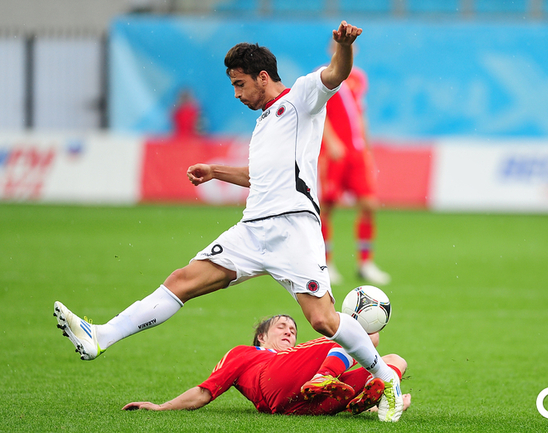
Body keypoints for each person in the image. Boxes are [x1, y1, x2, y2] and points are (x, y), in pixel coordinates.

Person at [54, 20, 404, 423]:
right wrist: (216, 171)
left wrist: (343, 47)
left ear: (262, 77)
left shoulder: (301, 97)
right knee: (182, 280)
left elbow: (336, 73)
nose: (237, 94)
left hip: (292, 228)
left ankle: (386, 379)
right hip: (252, 229)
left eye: (240, 84)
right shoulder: (264, 122)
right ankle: (100, 336)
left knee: (323, 320)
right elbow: (261, 176)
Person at [122, 315, 411, 416]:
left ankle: (378, 400)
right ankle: (326, 378)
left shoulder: (302, 355)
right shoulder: (245, 353)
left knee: (396, 361)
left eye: (293, 330)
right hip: (273, 383)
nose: (288, 331)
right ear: (261, 337)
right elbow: (206, 390)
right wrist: (162, 407)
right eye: (281, 326)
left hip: (301, 405)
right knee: (356, 335)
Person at [319, 43, 390, 286]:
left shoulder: (358, 77)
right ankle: (325, 264)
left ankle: (365, 263)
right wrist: (330, 141)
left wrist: (367, 148)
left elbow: (360, 114)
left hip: (356, 153)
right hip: (334, 153)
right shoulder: (323, 75)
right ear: (331, 48)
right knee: (326, 207)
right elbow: (318, 112)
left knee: (369, 204)